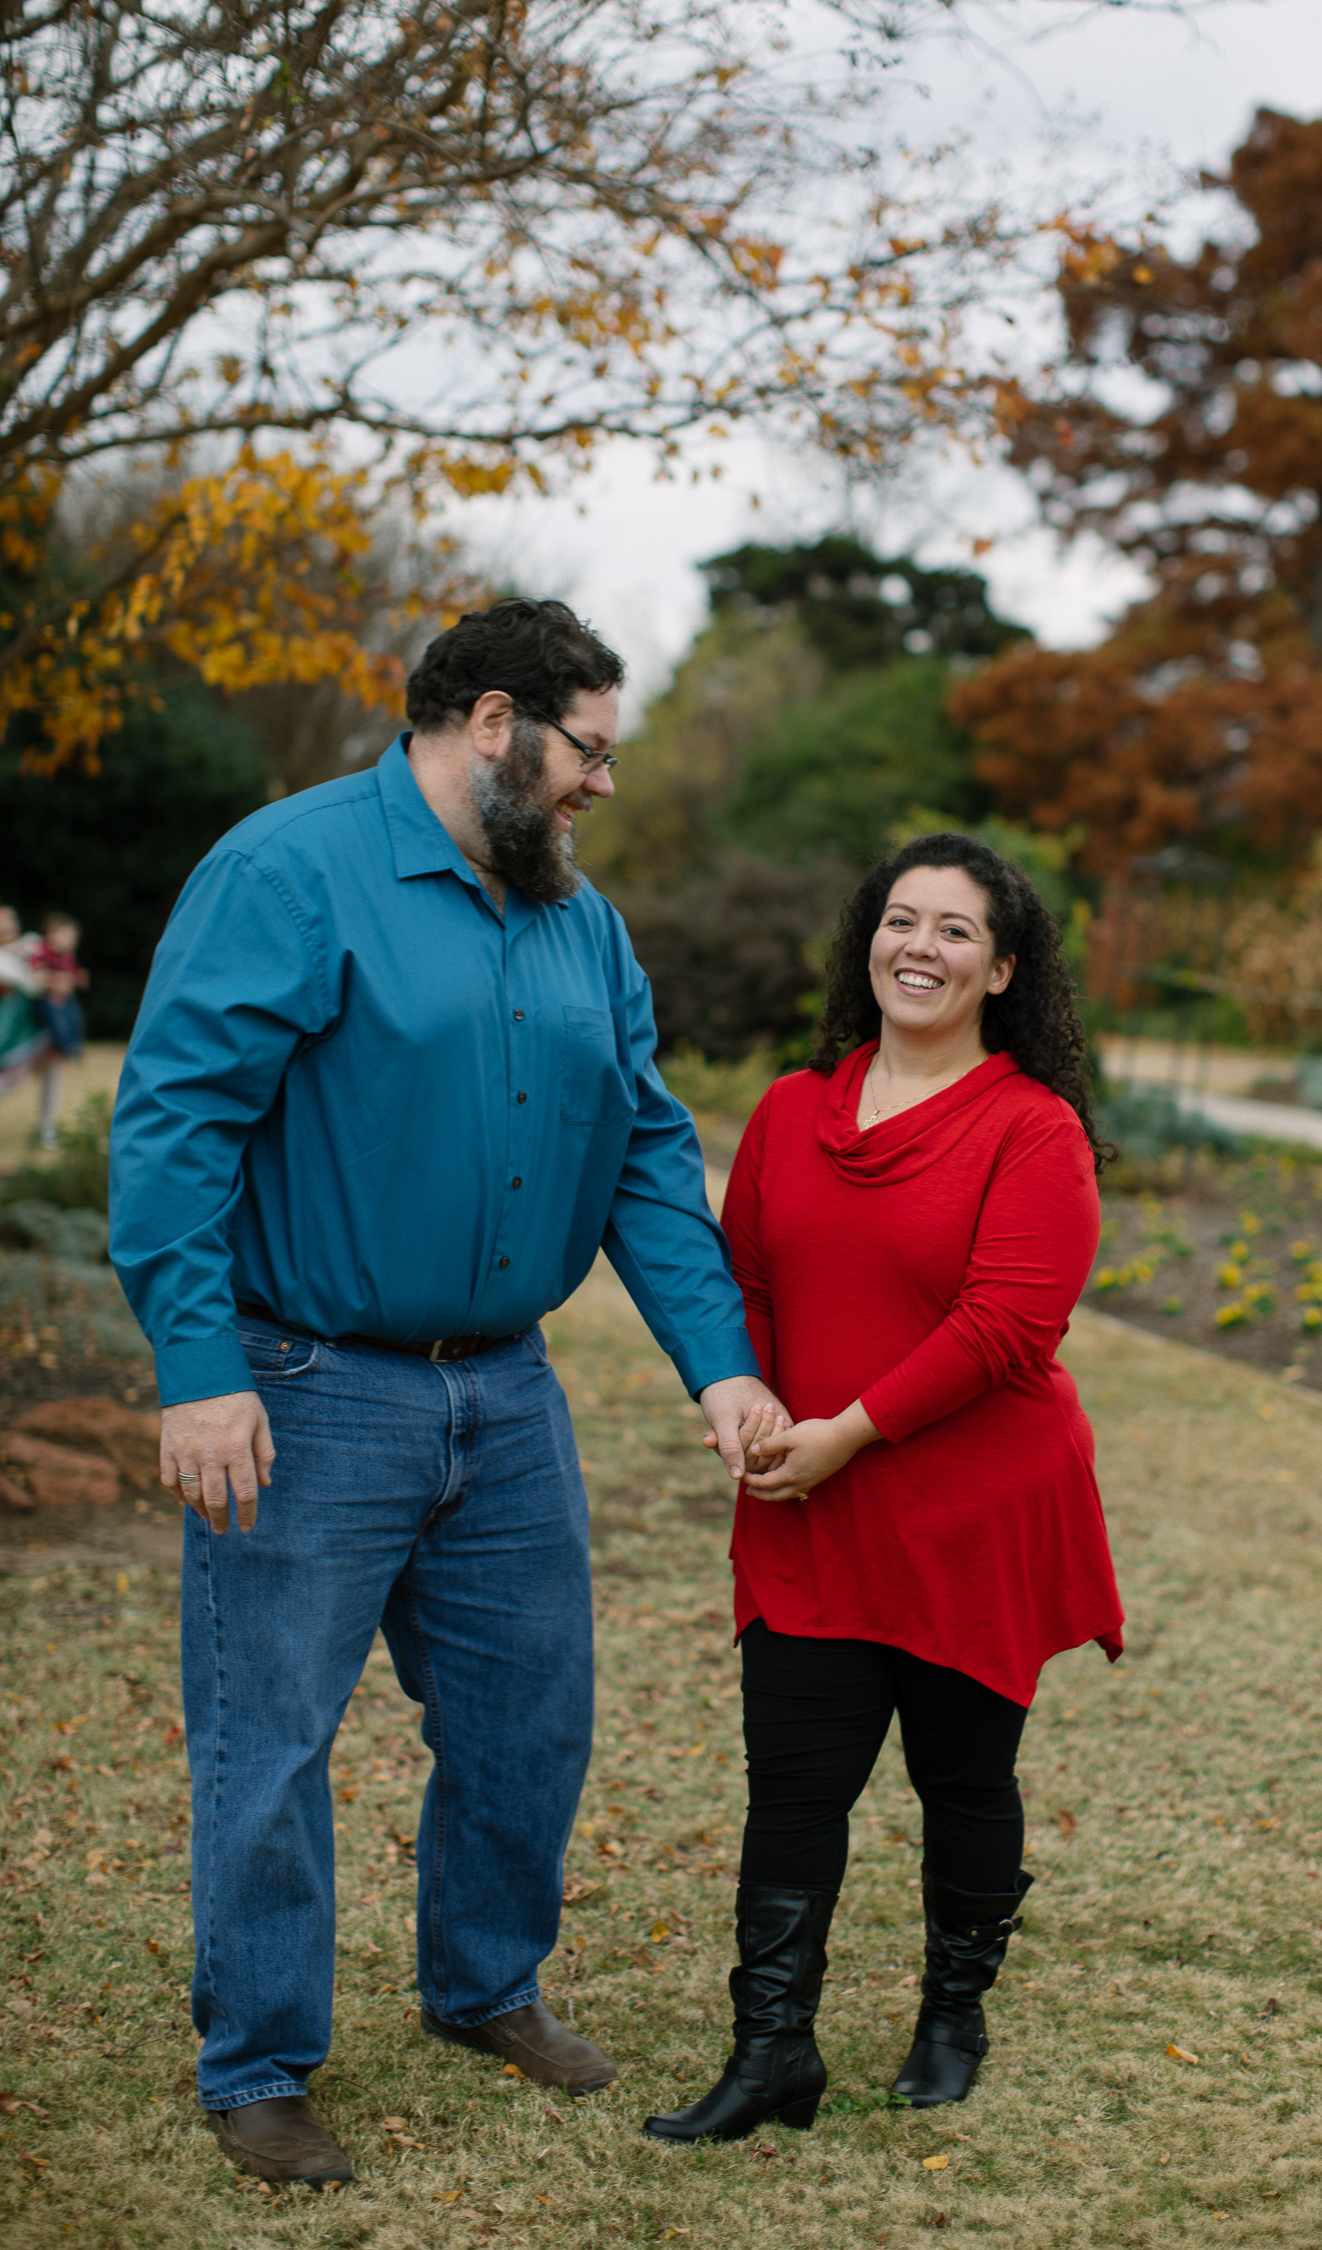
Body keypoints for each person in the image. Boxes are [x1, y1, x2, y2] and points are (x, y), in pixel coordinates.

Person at [110, 598, 787, 2191]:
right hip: (303, 1384)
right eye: (587, 753)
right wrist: (198, 1372)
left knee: (529, 1718)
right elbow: (174, 1126)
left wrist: (723, 1359)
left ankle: (484, 1983)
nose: (599, 788)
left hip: (507, 1395)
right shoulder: (286, 871)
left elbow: (638, 1143)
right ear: (492, 722)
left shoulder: (579, 918)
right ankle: (261, 2060)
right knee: (270, 1742)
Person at [644, 832, 1124, 2147]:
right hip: (808, 1502)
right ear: (869, 942)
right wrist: (739, 1395)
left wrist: (848, 1429)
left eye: (955, 928)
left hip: (973, 1508)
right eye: (899, 919)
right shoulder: (796, 1112)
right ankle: (770, 2053)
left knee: (963, 1782)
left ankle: (952, 2019)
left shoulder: (1035, 1130)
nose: (920, 945)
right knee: (792, 1787)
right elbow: (741, 1275)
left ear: (1004, 966)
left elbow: (1006, 1327)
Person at [32, 911, 89, 1149]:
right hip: (46, 1009)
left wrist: (77, 978)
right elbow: (36, 973)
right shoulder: (43, 949)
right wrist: (55, 980)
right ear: (52, 935)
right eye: (66, 936)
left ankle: (71, 1044)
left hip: (62, 1005)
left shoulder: (68, 957)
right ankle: (67, 1044)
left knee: (74, 1016)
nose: (70, 941)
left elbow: (73, 976)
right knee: (60, 1017)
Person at [0, 904, 48, 1102]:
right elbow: (32, 984)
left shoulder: (27, 945)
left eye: (11, 919)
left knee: (48, 1062)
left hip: (24, 1027)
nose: (7, 924)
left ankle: (47, 1128)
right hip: (8, 1029)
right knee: (13, 1073)